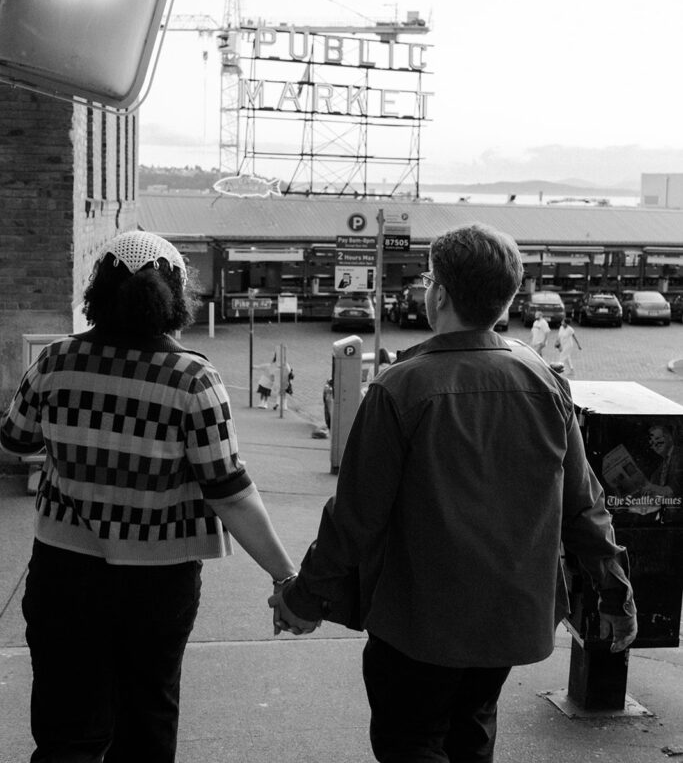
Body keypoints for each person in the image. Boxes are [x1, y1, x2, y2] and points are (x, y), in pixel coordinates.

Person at [269, 223, 637, 763]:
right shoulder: (545, 382)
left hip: (420, 625)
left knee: (411, 742)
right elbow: (584, 504)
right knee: (472, 733)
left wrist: (303, 601)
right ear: (508, 299)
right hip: (509, 622)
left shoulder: (401, 388)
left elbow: (354, 520)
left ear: (437, 293)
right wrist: (615, 591)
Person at [0, 230, 298, 763]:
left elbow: (15, 439)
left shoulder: (55, 362)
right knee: (146, 724)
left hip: (63, 574)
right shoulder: (192, 377)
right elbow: (228, 493)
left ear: (99, 290)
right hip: (157, 585)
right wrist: (285, 576)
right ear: (175, 295)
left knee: (66, 729)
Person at [640, 423, 683, 520]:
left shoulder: (680, 456)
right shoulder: (661, 467)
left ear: (669, 438)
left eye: (658, 439)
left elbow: (673, 490)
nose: (654, 445)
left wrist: (651, 487)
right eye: (651, 443)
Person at [272, 348, 294, 412]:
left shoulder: (278, 363)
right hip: (283, 380)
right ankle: (283, 405)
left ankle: (279, 404)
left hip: (282, 380)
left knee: (281, 392)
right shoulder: (284, 363)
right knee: (283, 393)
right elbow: (289, 371)